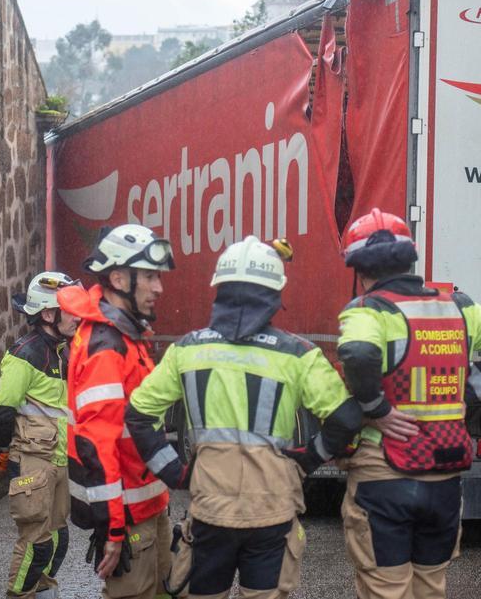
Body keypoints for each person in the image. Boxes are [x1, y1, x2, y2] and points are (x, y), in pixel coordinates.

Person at [126, 236, 363, 599]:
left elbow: (139, 416)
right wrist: (307, 460)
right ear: (274, 295)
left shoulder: (186, 350)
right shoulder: (298, 354)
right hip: (272, 511)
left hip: (209, 512)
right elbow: (345, 419)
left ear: (219, 289)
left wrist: (175, 473)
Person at [336, 208, 481, 599]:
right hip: (444, 476)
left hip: (385, 474)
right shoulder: (458, 307)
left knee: (386, 588)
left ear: (358, 269)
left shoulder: (369, 311)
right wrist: (465, 391)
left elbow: (358, 353)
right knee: (430, 586)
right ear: (410, 259)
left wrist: (377, 409)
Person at [59, 224, 174, 599]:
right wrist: (112, 528)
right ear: (120, 278)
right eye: (150, 276)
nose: (158, 288)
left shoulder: (126, 335)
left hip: (148, 504)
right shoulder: (107, 346)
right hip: (128, 515)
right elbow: (97, 445)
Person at [0, 271, 80, 599]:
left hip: (58, 459)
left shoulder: (63, 352)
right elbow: (3, 409)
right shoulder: (23, 354)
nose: (77, 316)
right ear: (48, 314)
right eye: (69, 310)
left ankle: (42, 593)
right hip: (32, 461)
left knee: (58, 542)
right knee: (37, 545)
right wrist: (1, 450)